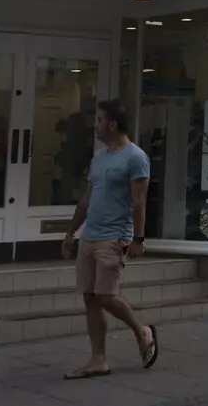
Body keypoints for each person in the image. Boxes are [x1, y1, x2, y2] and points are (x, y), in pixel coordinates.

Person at [61, 99, 159, 379]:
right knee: (91, 298)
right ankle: (98, 359)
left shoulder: (136, 157)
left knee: (106, 295)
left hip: (114, 237)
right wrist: (71, 232)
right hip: (90, 236)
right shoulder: (100, 157)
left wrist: (138, 238)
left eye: (100, 120)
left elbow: (139, 201)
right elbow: (87, 198)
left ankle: (142, 331)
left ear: (112, 124)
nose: (96, 125)